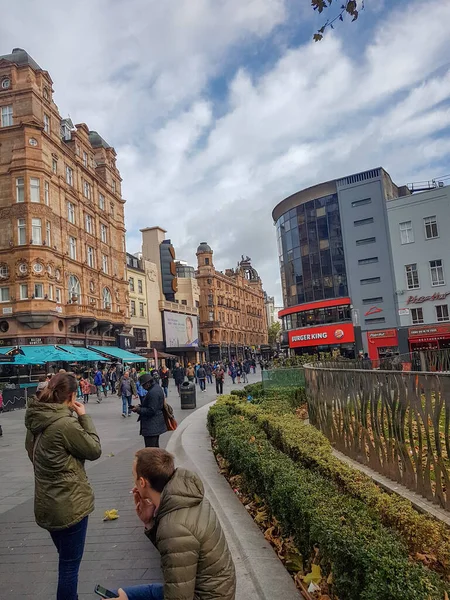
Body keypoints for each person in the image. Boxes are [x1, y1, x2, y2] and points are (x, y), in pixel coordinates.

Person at [109, 448, 236, 600]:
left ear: (142, 483)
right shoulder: (186, 496)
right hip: (211, 589)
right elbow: (177, 557)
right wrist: (149, 522)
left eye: (134, 476)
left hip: (205, 595)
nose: (134, 481)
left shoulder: (174, 528)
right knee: (124, 594)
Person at [25, 372, 101, 600]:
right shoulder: (65, 424)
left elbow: (32, 453)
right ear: (71, 396)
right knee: (69, 567)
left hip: (46, 504)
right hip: (69, 505)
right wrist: (84, 417)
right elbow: (94, 449)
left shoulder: (36, 421)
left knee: (65, 559)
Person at [132, 373, 167, 448]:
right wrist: (140, 406)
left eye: (143, 385)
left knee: (151, 450)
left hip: (152, 426)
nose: (143, 387)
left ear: (147, 383)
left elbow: (151, 410)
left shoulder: (152, 392)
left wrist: (138, 409)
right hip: (155, 425)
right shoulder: (156, 388)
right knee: (155, 448)